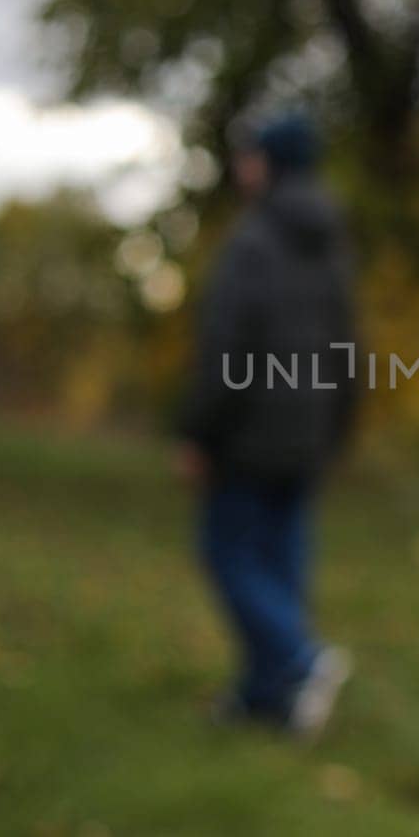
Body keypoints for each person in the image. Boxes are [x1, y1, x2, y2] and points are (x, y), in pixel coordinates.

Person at [176, 110, 358, 736]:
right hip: (307, 432)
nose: (241, 165)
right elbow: (349, 347)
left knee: (227, 553)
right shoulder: (331, 244)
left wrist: (200, 431)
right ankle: (265, 697)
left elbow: (226, 345)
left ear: (270, 163)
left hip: (249, 432)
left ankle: (301, 660)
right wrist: (337, 431)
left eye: (250, 154)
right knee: (279, 563)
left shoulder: (253, 241)